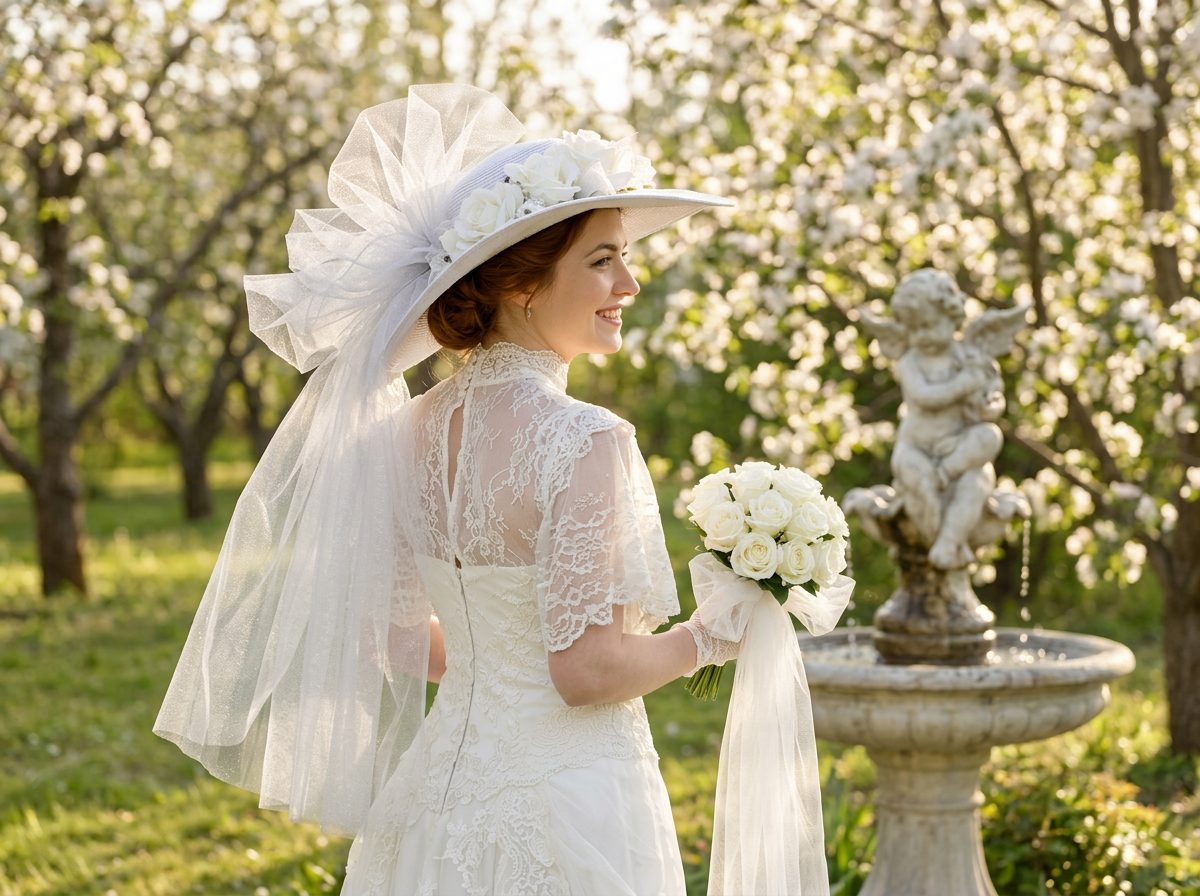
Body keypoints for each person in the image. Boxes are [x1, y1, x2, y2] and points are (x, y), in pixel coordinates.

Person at [153, 84, 741, 894]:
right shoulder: (588, 440)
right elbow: (587, 673)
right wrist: (715, 634)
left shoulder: (406, 430)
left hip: (436, 800)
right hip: (568, 806)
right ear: (523, 285)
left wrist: (490, 666)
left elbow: (394, 638)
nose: (629, 284)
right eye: (603, 260)